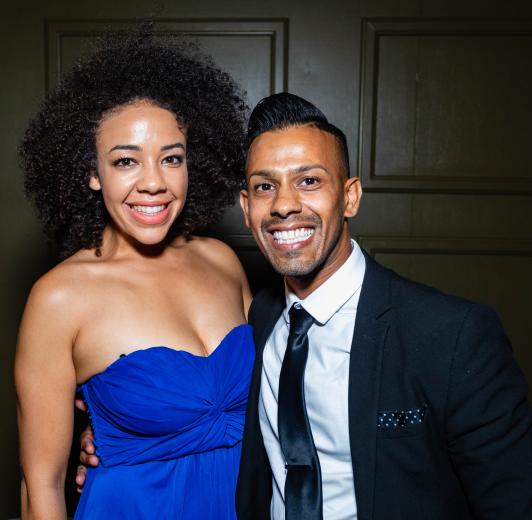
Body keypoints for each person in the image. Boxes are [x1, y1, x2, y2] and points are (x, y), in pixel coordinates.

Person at [78, 93, 532, 519]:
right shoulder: (256, 321)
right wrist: (119, 429)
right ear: (246, 206)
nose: (284, 205)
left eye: (309, 181)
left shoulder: (451, 336)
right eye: (264, 186)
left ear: (350, 196)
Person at [15, 34, 254, 520]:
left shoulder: (223, 263)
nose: (153, 182)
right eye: (126, 160)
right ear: (92, 173)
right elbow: (41, 485)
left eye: (172, 158)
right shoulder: (59, 298)